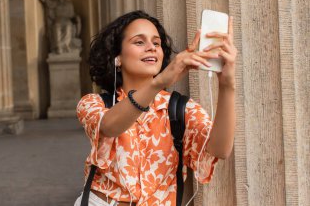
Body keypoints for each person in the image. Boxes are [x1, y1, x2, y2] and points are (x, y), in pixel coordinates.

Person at [74, 10, 237, 205]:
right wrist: (158, 82)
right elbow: (110, 126)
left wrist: (227, 84)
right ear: (117, 57)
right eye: (139, 42)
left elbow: (220, 149)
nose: (151, 47)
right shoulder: (93, 104)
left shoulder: (181, 109)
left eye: (156, 43)